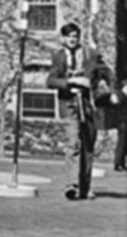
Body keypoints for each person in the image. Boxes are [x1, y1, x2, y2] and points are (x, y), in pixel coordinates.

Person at [46, 22, 112, 200]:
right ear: (63, 38)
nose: (72, 40)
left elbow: (106, 73)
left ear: (79, 37)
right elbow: (51, 80)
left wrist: (114, 90)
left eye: (75, 36)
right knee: (73, 142)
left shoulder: (90, 54)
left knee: (88, 145)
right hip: (69, 104)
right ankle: (71, 185)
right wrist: (71, 82)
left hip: (88, 102)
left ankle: (85, 187)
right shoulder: (58, 56)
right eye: (69, 37)